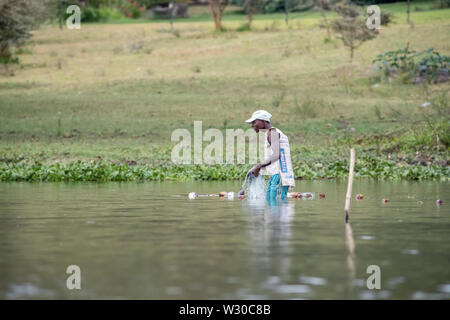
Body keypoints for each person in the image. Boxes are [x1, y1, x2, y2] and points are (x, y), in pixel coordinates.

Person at [246, 110, 295, 201]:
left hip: (279, 176)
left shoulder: (272, 133)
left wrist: (258, 166)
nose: (252, 125)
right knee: (273, 204)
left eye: (254, 122)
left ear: (263, 121)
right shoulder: (271, 133)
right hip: (278, 175)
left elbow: (277, 154)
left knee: (274, 205)